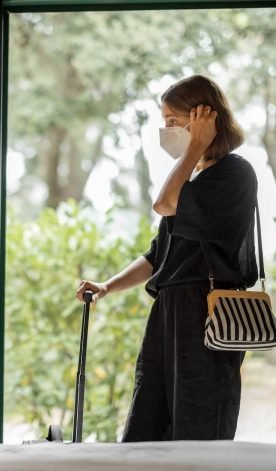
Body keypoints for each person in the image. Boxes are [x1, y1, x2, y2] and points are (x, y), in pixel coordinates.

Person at [76, 74, 258, 441]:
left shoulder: (234, 173)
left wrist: (194, 149)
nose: (166, 131)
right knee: (149, 420)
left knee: (199, 421)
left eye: (173, 122)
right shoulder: (194, 180)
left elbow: (164, 203)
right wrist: (108, 287)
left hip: (204, 314)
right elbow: (159, 256)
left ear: (204, 119)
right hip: (169, 313)